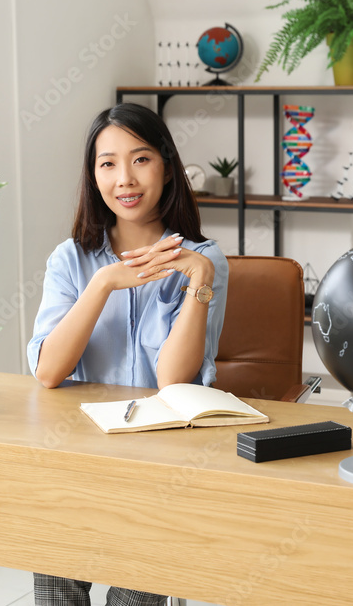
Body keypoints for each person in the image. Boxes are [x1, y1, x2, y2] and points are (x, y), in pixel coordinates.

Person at [27, 102, 229, 605]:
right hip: (80, 454)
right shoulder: (71, 259)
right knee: (55, 576)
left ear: (165, 165)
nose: (125, 179)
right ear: (94, 176)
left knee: (133, 592)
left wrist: (199, 279)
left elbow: (173, 382)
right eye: (108, 163)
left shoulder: (205, 262)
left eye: (140, 160)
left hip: (161, 466)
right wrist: (102, 284)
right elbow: (49, 372)